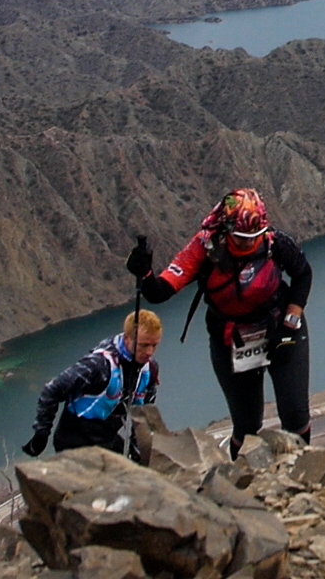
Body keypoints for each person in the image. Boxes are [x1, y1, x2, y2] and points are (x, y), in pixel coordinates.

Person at [128, 188, 313, 458]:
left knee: (295, 412)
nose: (249, 243)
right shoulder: (204, 248)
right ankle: (244, 478)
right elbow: (159, 292)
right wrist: (143, 274)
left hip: (280, 328)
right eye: (241, 238)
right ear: (225, 230)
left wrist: (289, 326)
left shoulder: (274, 242)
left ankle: (303, 470)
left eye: (254, 237)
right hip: (230, 339)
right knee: (247, 424)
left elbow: (303, 275)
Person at [22, 309, 161, 458]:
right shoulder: (99, 365)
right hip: (74, 442)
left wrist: (139, 445)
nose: (150, 352)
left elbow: (144, 411)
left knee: (136, 470)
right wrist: (41, 433)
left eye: (154, 345)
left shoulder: (149, 369)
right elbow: (53, 389)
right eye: (144, 345)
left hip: (105, 438)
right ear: (127, 338)